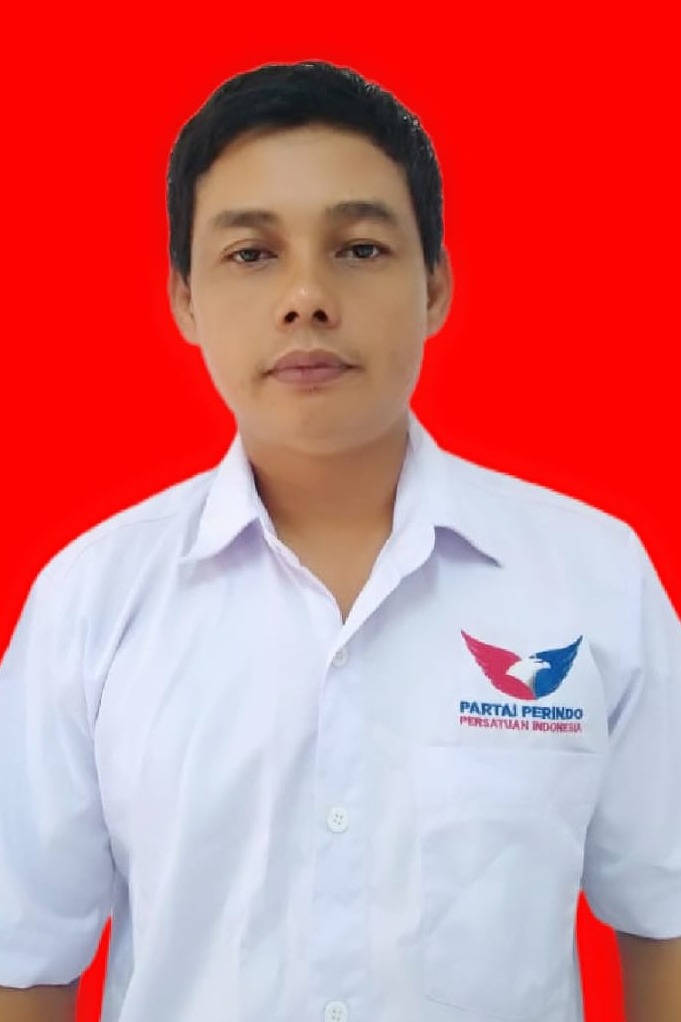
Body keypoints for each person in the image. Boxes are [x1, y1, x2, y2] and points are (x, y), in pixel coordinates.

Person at [0, 59, 679, 1022]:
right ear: (184, 298)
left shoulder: (593, 578)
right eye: (251, 254)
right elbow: (26, 959)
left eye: (359, 248)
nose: (307, 297)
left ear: (434, 286)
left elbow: (665, 919)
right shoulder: (90, 601)